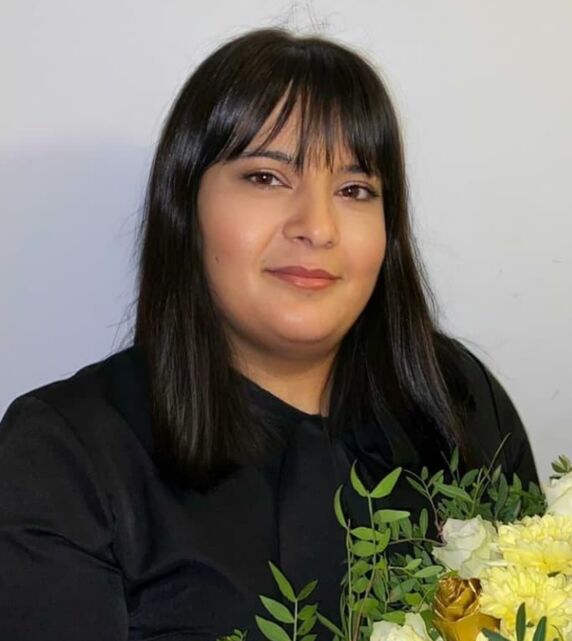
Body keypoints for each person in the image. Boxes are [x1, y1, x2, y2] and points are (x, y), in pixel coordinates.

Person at [0, 27, 538, 641]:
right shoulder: (64, 454)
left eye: (355, 190)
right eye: (266, 178)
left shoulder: (457, 399)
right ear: (185, 206)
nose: (318, 227)